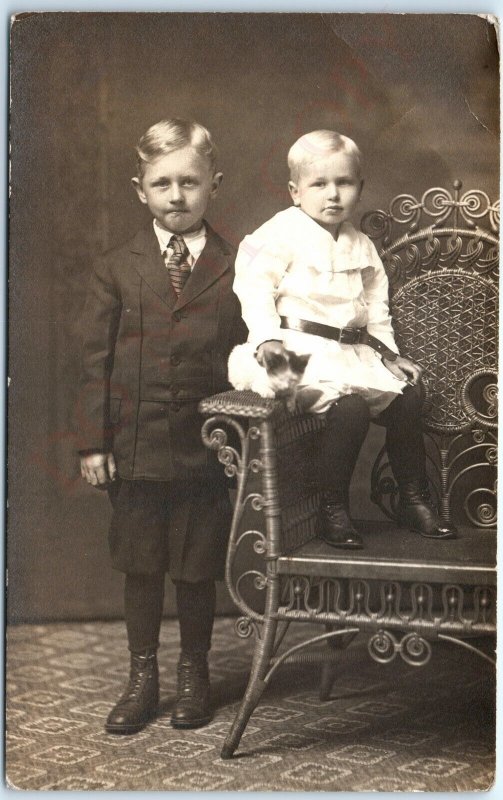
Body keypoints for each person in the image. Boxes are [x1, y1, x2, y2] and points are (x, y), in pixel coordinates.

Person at [77, 118, 246, 735]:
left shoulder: (239, 264)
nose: (177, 196)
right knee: (142, 565)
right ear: (139, 189)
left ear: (214, 184)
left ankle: (193, 673)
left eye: (191, 183)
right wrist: (93, 442)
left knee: (197, 567)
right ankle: (142, 676)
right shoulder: (117, 267)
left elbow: (255, 348)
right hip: (137, 446)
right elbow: (94, 360)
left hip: (207, 449)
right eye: (162, 183)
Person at [233, 129, 457, 549]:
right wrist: (265, 339)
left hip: (348, 353)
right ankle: (332, 506)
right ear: (295, 191)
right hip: (292, 351)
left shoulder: (361, 244)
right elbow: (254, 287)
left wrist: (388, 355)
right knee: (350, 409)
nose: (332, 194)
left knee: (408, 397)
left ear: (360, 188)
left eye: (344, 183)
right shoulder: (278, 234)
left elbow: (376, 307)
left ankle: (411, 497)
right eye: (319, 184)